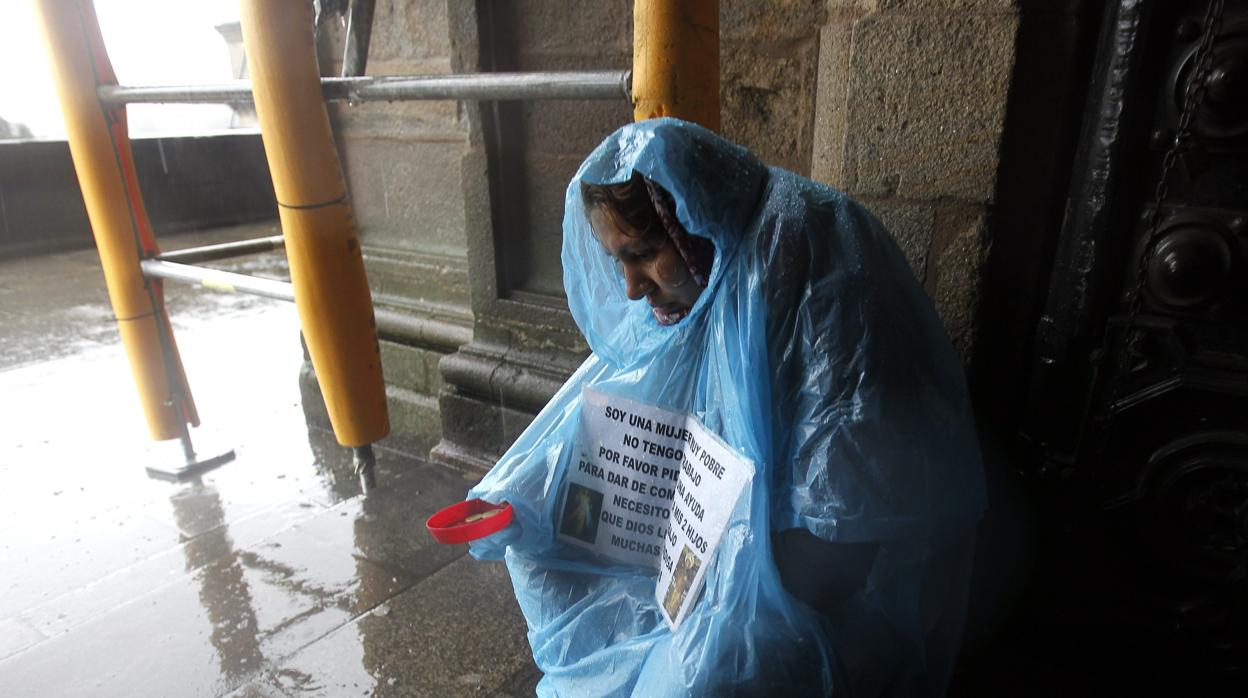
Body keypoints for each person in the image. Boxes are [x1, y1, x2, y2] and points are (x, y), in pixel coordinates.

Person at [468, 118, 985, 696]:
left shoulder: (812, 268)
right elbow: (619, 398)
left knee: (698, 678)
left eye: (641, 254)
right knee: (542, 557)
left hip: (818, 582)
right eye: (619, 262)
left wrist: (726, 584)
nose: (632, 288)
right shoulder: (699, 275)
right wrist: (530, 495)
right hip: (705, 541)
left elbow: (845, 522)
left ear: (688, 222)